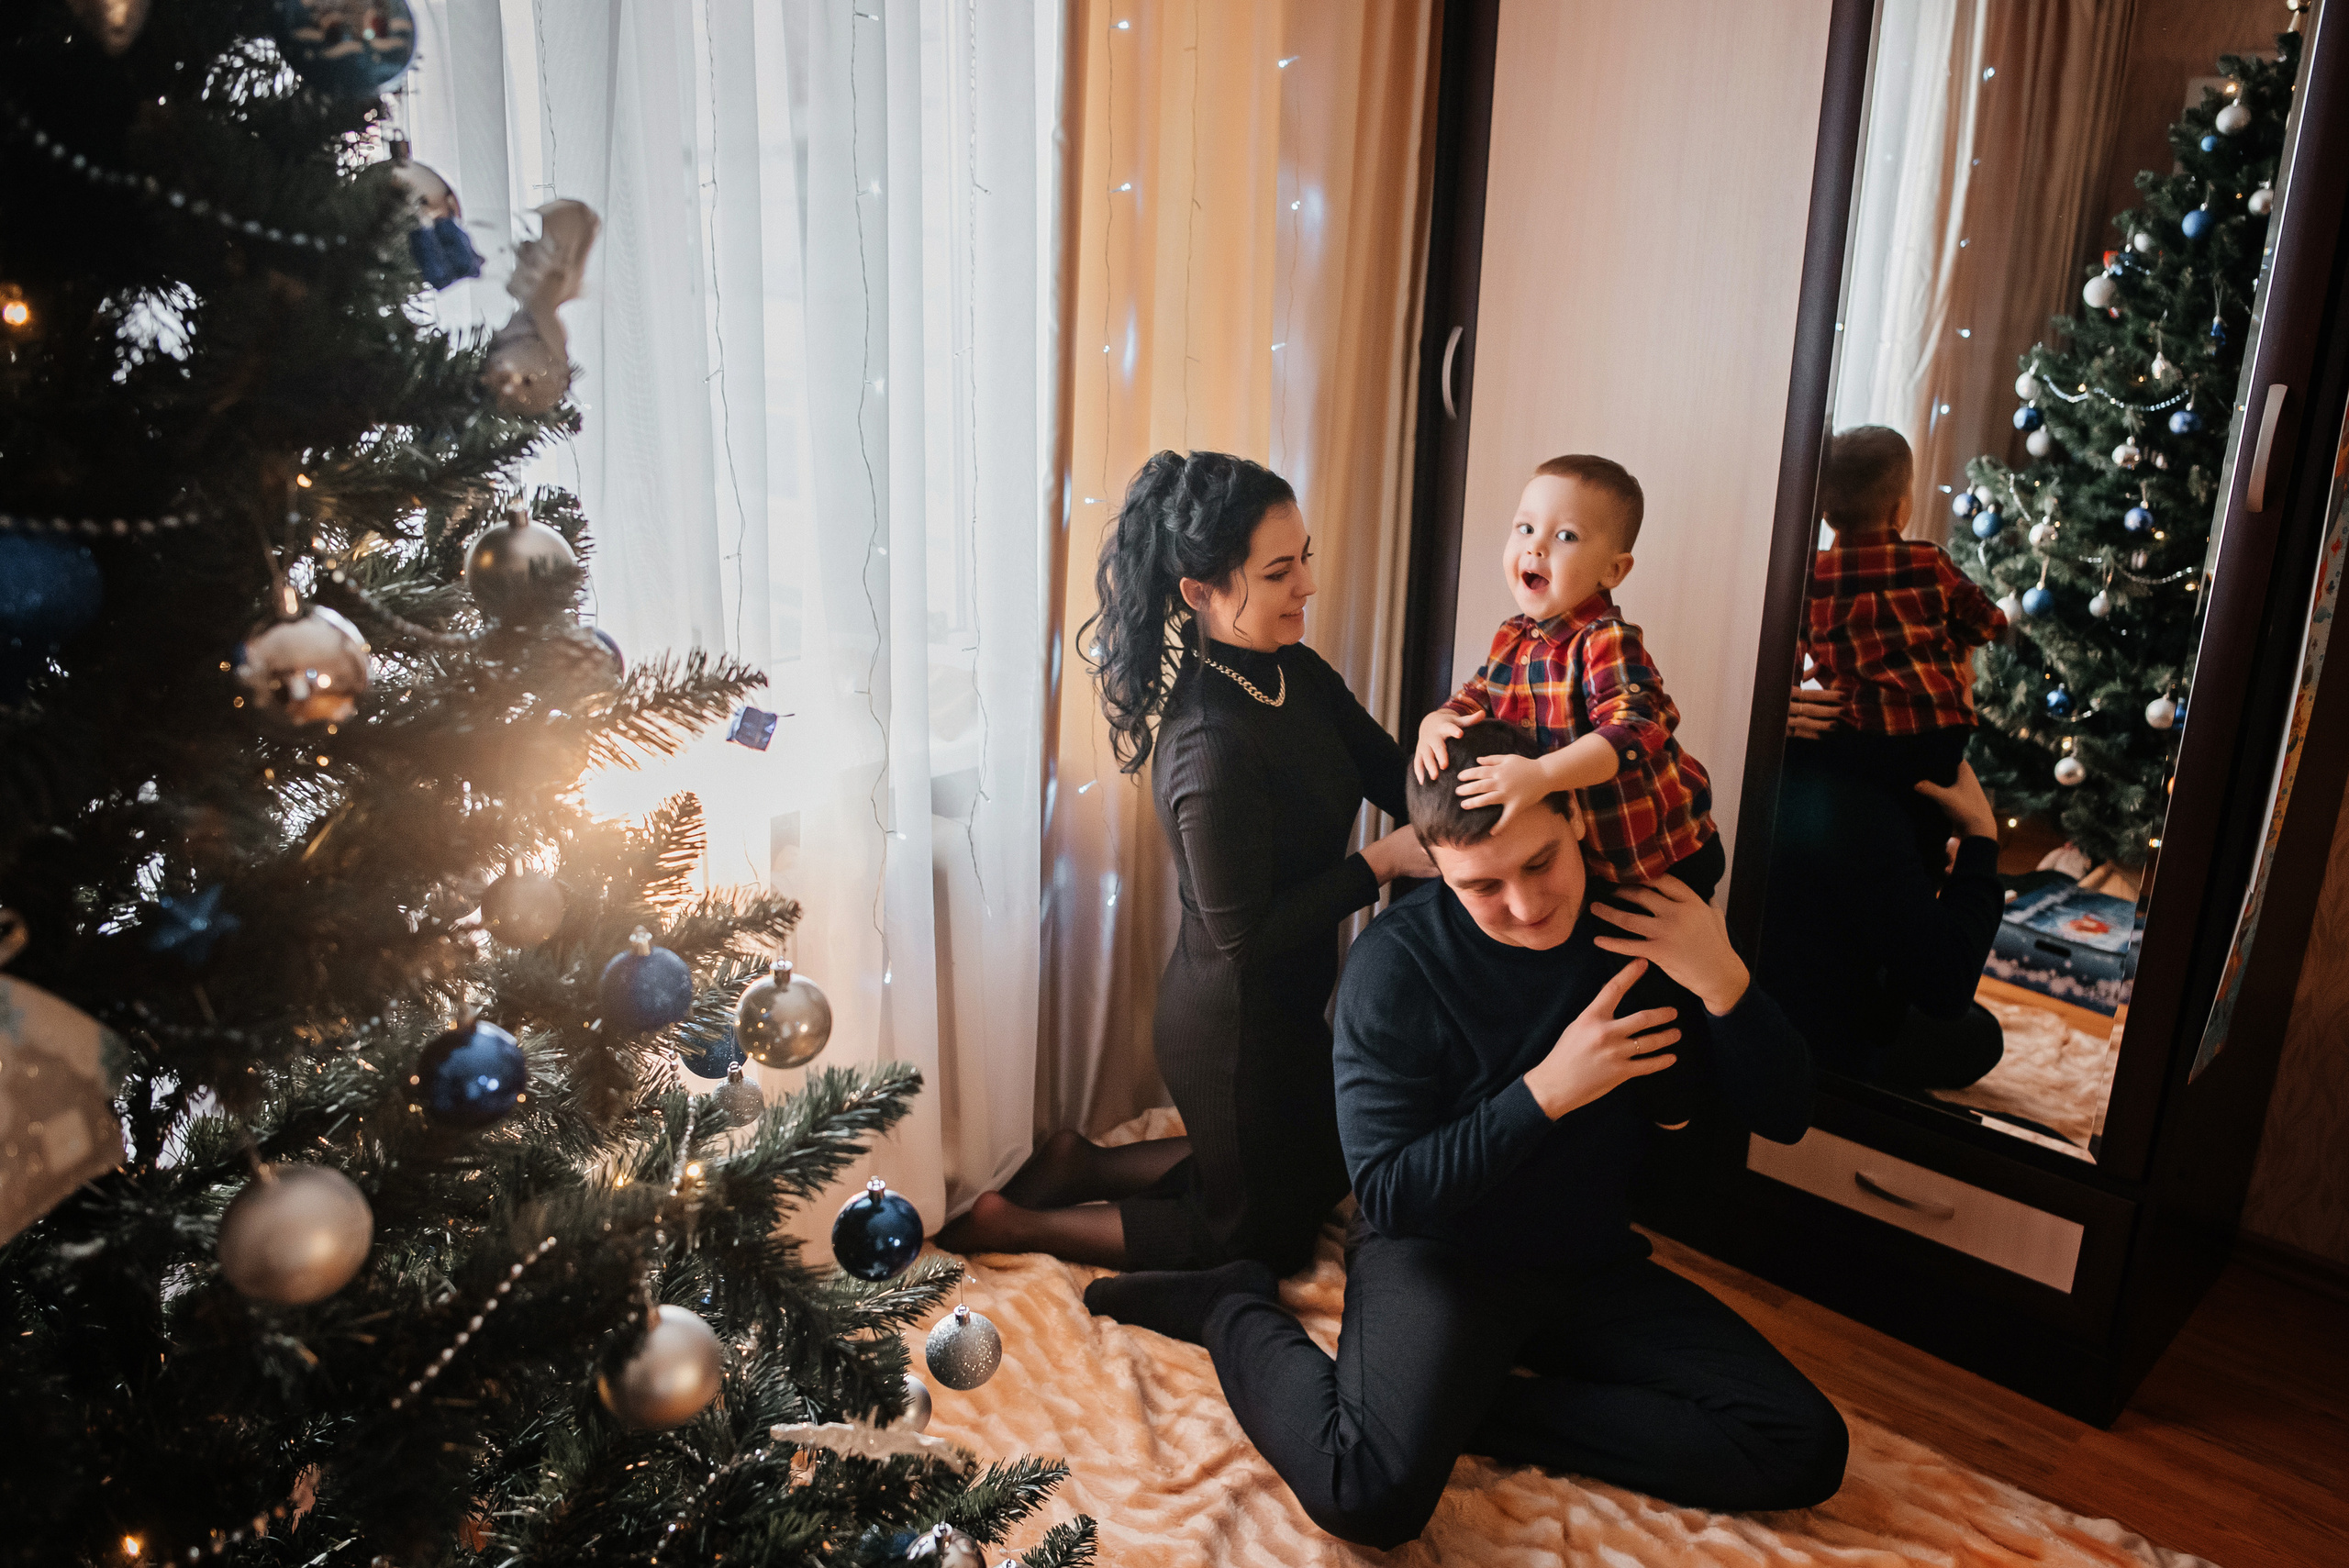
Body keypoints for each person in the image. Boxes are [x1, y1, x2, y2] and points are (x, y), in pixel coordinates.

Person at [1084, 721, 1847, 1549]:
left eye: (1540, 862)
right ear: (1439, 869)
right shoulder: (1394, 967)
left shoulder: (1649, 926)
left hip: (1586, 1260)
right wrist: (1545, 1092)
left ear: (1578, 822)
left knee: (1801, 1444)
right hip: (1443, 1255)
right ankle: (1230, 1304)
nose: (1525, 905)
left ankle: (1482, 1409)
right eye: (1483, 885)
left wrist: (1722, 977)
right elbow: (1391, 1195)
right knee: (1366, 1493)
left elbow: (1785, 1114)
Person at [939, 450, 1429, 1273]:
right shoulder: (1208, 742)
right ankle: (1016, 1225)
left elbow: (1391, 770)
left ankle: (1082, 1163)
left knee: (1315, 1172)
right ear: (1200, 592)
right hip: (1230, 1024)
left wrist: (1461, 755)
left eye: (1304, 557)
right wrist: (1380, 862)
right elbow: (1245, 936)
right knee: (1252, 1243)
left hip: (1293, 999)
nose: (1307, 585)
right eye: (1279, 572)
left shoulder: (1293, 672)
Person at [1412, 453, 1717, 1129]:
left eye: (1565, 536)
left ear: (1615, 570)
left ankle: (1677, 1095)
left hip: (1660, 853)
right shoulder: (1511, 638)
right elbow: (1473, 700)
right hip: (1591, 853)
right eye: (1524, 528)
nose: (1536, 547)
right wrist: (1439, 718)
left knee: (1654, 979)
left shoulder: (1606, 640)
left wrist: (1544, 774)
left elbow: (1639, 727)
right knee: (1587, 968)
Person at [1767, 685, 2007, 1089]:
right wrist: (1982, 837)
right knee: (1980, 1035)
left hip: (1792, 987)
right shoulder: (1864, 803)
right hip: (1811, 1039)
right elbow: (1946, 987)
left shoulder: (1789, 742)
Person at [1802, 426, 2006, 795]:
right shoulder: (1928, 561)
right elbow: (1991, 623)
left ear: (1827, 516)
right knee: (1931, 814)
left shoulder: (1812, 576)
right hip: (1937, 732)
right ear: (1900, 508)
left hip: (1859, 735)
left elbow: (1793, 650)